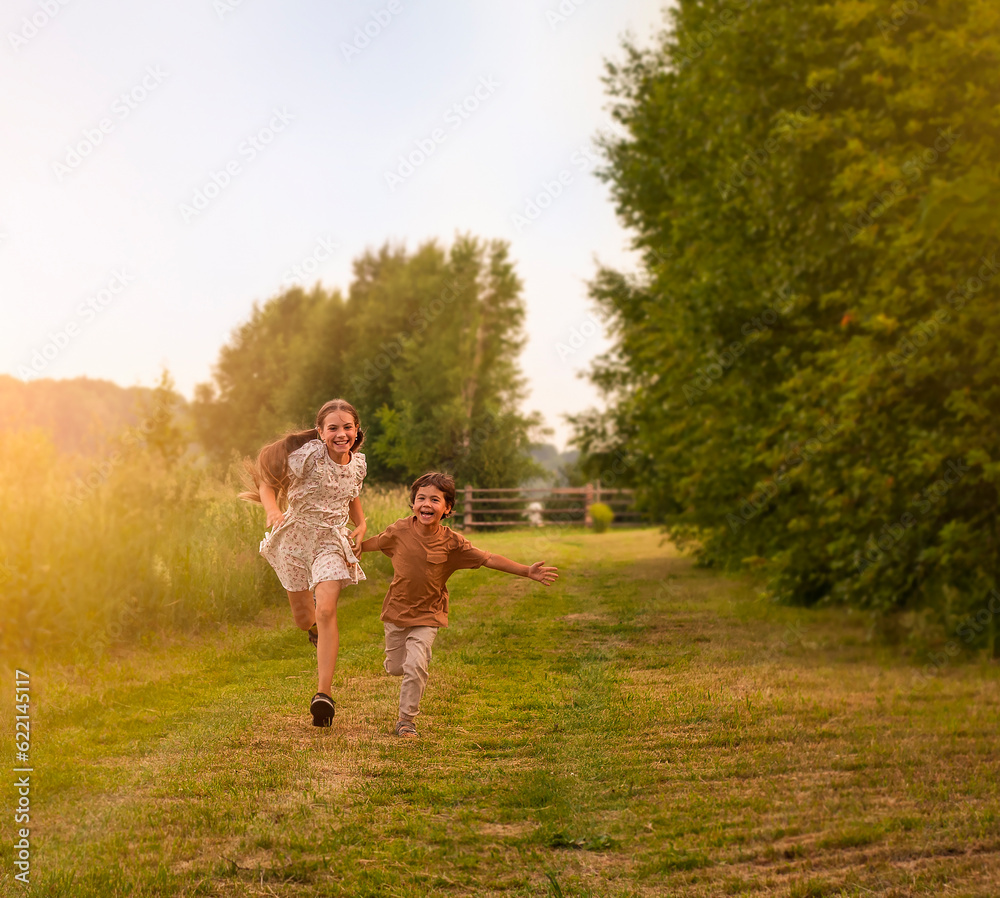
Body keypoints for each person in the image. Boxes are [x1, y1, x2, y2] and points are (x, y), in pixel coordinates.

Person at [358, 472, 558, 738]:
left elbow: (488, 558)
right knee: (397, 667)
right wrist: (352, 548)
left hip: (430, 614)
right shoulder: (400, 530)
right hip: (397, 611)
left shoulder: (453, 543)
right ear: (413, 503)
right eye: (421, 498)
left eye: (434, 500)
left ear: (447, 508)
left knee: (416, 664)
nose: (426, 504)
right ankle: (406, 663)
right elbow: (374, 543)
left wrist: (526, 571)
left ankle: (406, 721)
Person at [241, 399, 367, 727]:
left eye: (347, 427)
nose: (342, 433)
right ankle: (312, 631)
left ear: (356, 429)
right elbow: (268, 483)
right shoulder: (308, 456)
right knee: (303, 618)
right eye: (334, 428)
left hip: (330, 541)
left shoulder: (358, 464)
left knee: (326, 609)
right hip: (294, 539)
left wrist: (362, 525)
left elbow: (352, 495)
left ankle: (323, 695)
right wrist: (271, 509)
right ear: (321, 432)